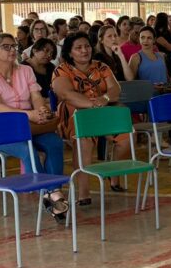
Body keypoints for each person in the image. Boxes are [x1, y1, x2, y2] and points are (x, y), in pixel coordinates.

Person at [0, 33, 68, 218]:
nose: (12, 50)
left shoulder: (25, 70)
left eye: (14, 46)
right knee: (28, 151)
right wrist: (30, 114)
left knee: (55, 143)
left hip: (28, 125)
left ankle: (51, 192)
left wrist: (41, 111)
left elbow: (36, 96)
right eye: (6, 47)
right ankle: (52, 193)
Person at [53, 32, 128, 201]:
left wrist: (105, 98)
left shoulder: (101, 67)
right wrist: (93, 104)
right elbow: (66, 94)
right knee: (84, 140)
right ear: (69, 52)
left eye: (86, 46)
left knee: (126, 136)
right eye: (78, 48)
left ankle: (114, 175)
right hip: (75, 113)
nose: (84, 50)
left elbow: (115, 90)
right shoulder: (61, 70)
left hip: (102, 111)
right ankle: (83, 192)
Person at [129, 27, 170, 91]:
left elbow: (167, 77)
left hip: (165, 94)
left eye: (149, 38)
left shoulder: (161, 56)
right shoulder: (135, 57)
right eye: (142, 37)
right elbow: (130, 82)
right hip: (146, 96)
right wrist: (150, 86)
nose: (145, 41)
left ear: (154, 40)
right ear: (139, 39)